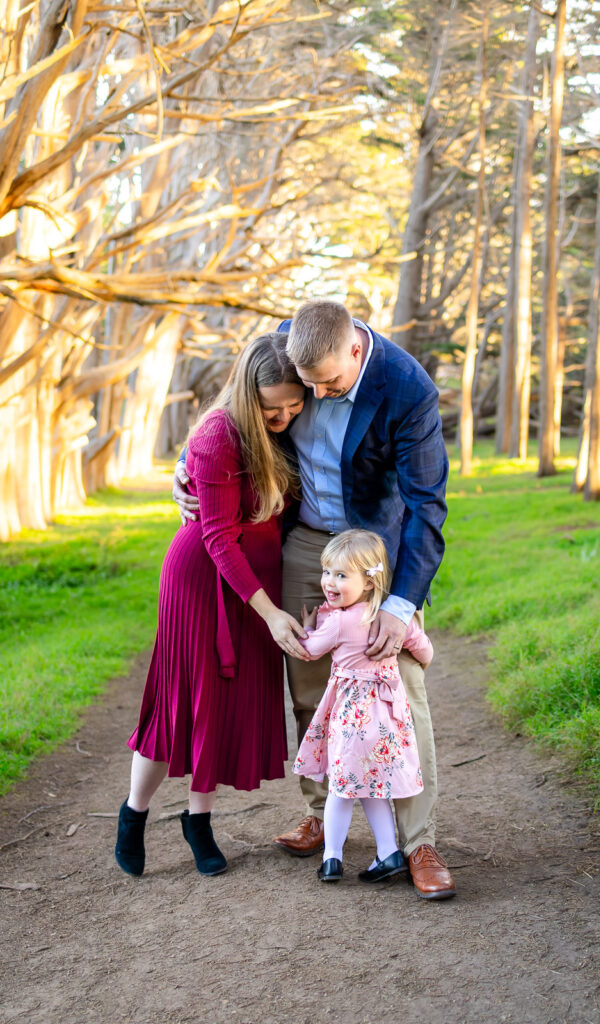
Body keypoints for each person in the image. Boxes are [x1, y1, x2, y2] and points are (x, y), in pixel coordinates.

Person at [175, 300, 455, 899]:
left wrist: (401, 606)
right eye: (309, 385)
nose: (318, 394)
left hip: (371, 550)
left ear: (356, 347)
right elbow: (233, 406)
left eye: (330, 382)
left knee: (399, 689)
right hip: (302, 540)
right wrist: (187, 465)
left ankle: (418, 840)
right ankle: (325, 808)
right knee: (310, 683)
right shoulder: (285, 350)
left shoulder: (407, 389)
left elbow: (427, 510)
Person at [115, 333, 307, 878]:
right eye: (273, 407)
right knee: (179, 702)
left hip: (257, 583)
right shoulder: (219, 434)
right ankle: (134, 814)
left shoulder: (287, 430)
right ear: (248, 395)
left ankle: (198, 821)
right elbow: (220, 537)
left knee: (225, 704)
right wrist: (271, 613)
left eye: (295, 404)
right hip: (203, 580)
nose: (286, 415)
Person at [292, 529, 433, 885]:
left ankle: (331, 858)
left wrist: (309, 628)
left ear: (369, 582)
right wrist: (422, 662)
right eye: (327, 572)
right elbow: (424, 648)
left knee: (342, 789)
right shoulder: (391, 619)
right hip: (387, 719)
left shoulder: (337, 621)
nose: (329, 582)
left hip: (352, 720)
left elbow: (309, 651)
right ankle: (387, 853)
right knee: (374, 788)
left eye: (341, 575)